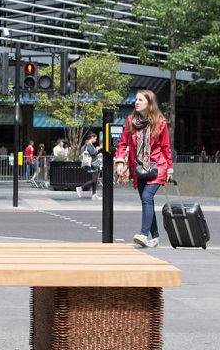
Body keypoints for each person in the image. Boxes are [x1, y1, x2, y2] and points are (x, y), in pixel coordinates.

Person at [114, 89, 174, 248]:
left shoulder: (160, 122)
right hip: (138, 168)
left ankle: (143, 234)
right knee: (147, 201)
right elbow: (123, 143)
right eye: (136, 100)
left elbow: (166, 147)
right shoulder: (131, 120)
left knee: (147, 197)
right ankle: (155, 237)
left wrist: (169, 169)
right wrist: (120, 161)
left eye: (141, 100)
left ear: (149, 103)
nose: (137, 102)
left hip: (157, 166)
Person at [75, 133, 101, 201]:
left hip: (92, 164)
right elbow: (93, 153)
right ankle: (81, 188)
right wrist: (97, 149)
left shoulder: (87, 145)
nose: (95, 140)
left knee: (95, 179)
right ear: (92, 137)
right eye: (95, 138)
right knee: (94, 179)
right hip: (91, 164)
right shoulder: (89, 145)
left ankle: (94, 194)